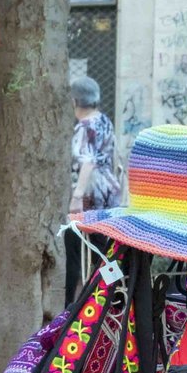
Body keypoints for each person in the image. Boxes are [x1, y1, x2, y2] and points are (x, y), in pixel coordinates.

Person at [65, 75, 122, 306]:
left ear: (74, 101)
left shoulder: (85, 126)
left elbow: (87, 161)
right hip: (110, 190)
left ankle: (74, 305)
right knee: (105, 248)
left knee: (76, 244)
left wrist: (77, 196)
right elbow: (115, 156)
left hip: (92, 193)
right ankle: (113, 294)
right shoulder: (104, 121)